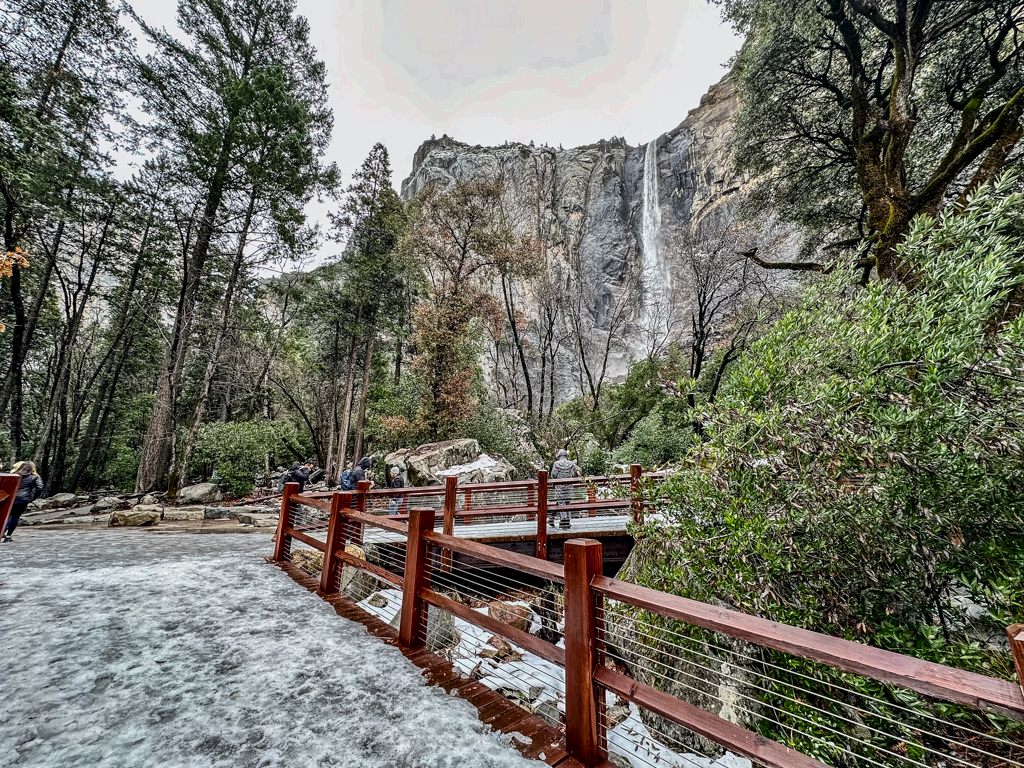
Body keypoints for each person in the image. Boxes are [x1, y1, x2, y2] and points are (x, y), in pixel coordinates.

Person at [2, 461, 44, 542]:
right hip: (23, 499)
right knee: (15, 516)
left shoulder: (15, 475)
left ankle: (2, 532)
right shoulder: (35, 477)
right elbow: (40, 487)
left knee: (6, 516)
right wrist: (32, 497)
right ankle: (8, 536)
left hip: (10, 498)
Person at [549, 448, 581, 530]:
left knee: (561, 503)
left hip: (559, 486)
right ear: (566, 455)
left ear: (559, 456)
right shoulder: (571, 463)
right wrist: (573, 477)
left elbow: (554, 474)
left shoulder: (556, 464)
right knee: (567, 503)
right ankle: (566, 520)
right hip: (569, 486)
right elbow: (578, 471)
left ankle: (563, 520)